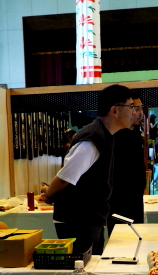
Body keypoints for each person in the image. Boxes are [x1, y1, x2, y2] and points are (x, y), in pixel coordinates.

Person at [41, 84, 138, 254]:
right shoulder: (92, 139)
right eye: (131, 107)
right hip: (78, 220)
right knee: (83, 267)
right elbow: (65, 177)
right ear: (115, 110)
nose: (134, 112)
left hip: (89, 218)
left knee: (92, 265)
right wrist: (49, 193)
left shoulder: (105, 135)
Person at [108, 91, 146, 230]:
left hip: (135, 199)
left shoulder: (135, 133)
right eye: (135, 108)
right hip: (119, 201)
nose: (140, 113)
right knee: (120, 239)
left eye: (141, 108)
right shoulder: (114, 135)